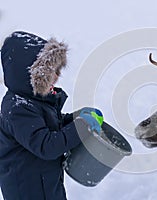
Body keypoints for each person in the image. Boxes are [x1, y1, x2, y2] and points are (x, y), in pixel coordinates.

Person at [0, 31, 103, 200]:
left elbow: (50, 126)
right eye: (50, 73)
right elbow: (46, 146)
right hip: (27, 191)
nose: (57, 76)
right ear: (28, 76)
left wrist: (75, 118)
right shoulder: (18, 109)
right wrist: (82, 126)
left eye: (57, 70)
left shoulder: (34, 99)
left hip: (45, 183)